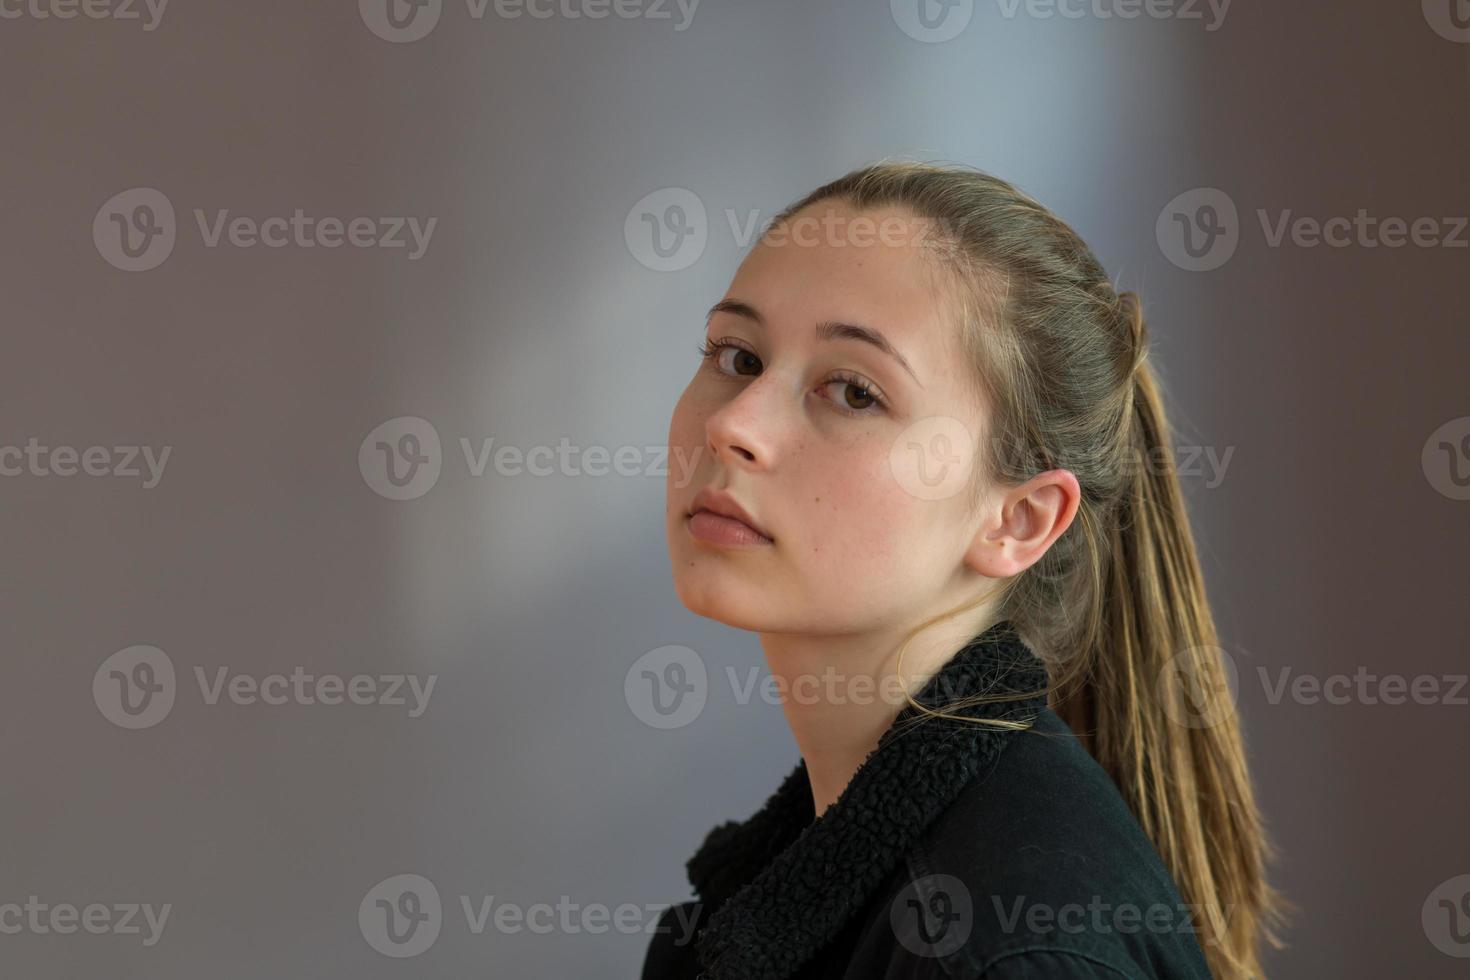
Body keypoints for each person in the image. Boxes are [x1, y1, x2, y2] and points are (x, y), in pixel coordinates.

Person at [644, 161, 1288, 979]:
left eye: (851, 391)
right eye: (737, 357)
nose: (735, 423)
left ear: (1018, 521)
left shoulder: (1005, 951)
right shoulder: (808, 893)